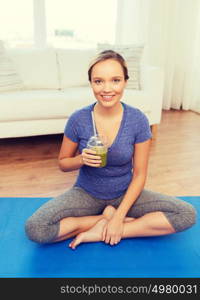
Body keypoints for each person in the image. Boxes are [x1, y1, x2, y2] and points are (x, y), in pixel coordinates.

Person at [25, 50, 196, 250]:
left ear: (125, 82)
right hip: (86, 193)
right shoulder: (78, 119)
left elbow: (140, 175)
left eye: (115, 80)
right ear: (91, 83)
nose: (107, 89)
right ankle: (100, 219)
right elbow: (63, 163)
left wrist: (118, 218)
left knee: (186, 214)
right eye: (99, 81)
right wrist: (81, 159)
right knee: (36, 228)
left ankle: (108, 229)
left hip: (126, 194)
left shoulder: (138, 120)